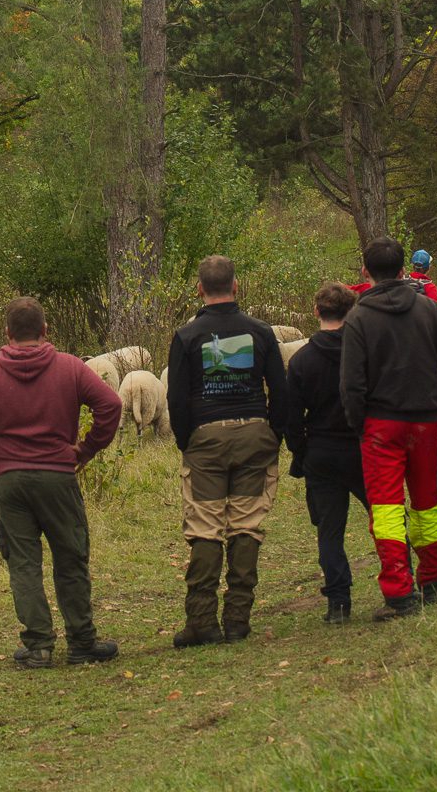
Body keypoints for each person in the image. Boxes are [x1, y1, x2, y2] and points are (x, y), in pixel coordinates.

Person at [0, 297, 124, 669]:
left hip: (10, 480)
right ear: (44, 330)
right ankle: (81, 642)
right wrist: (87, 448)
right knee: (70, 557)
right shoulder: (70, 367)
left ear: (7, 333)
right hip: (58, 476)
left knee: (23, 562)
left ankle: (39, 646)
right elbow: (111, 405)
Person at [164, 255, 293, 647]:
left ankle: (202, 621)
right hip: (255, 434)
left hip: (206, 438)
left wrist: (187, 440)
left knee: (205, 526)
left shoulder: (187, 336)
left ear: (199, 289)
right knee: (246, 524)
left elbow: (176, 399)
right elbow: (281, 389)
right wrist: (274, 433)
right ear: (236, 286)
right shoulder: (261, 332)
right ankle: (238, 619)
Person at [341, 237, 437, 620]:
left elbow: (351, 383)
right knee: (428, 501)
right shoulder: (429, 309)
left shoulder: (358, 318)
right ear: (403, 270)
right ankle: (434, 578)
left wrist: (358, 422)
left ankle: (399, 593)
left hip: (380, 424)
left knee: (386, 507)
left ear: (366, 271)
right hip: (425, 420)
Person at [284, 283, 367, 624]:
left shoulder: (302, 360)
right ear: (351, 311)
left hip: (321, 452)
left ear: (316, 311)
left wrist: (302, 451)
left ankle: (338, 602)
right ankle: (402, 581)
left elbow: (291, 417)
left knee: (329, 531)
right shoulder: (363, 352)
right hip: (363, 448)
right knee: (386, 515)